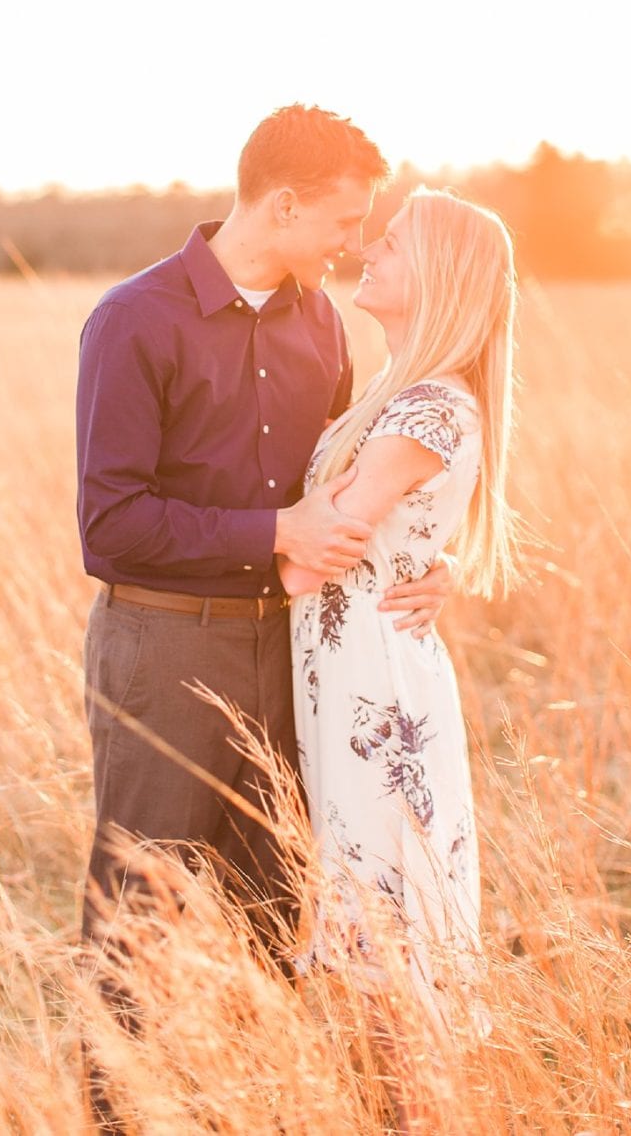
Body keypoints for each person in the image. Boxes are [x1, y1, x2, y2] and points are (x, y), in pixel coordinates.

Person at [73, 106, 453, 1113]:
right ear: (283, 204)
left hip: (294, 661)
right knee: (138, 919)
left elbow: (349, 491)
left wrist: (434, 565)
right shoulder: (134, 319)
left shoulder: (319, 321)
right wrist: (272, 533)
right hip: (161, 650)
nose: (356, 243)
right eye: (343, 219)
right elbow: (109, 527)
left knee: (281, 913)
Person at [279, 187, 520, 1016]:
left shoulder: (424, 410)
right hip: (354, 678)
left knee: (381, 958)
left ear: (441, 275)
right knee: (367, 944)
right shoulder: (397, 395)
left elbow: (306, 569)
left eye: (392, 242)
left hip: (371, 693)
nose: (367, 251)